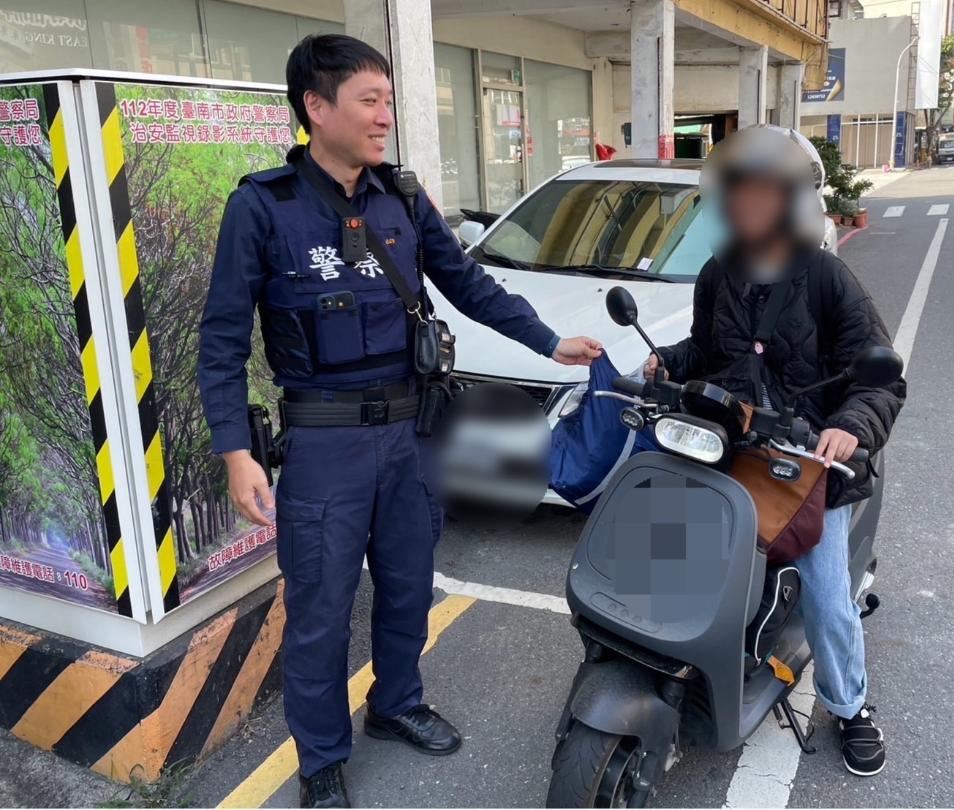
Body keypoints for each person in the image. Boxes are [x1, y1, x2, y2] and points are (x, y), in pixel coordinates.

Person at [197, 34, 602, 808]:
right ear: (317, 108)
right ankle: (321, 758)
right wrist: (235, 452)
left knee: (410, 586)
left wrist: (548, 341)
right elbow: (220, 341)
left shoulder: (403, 199)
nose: (386, 116)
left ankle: (396, 703)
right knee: (320, 611)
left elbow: (467, 284)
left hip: (412, 435)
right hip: (324, 443)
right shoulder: (263, 207)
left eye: (388, 100)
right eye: (369, 100)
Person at [644, 125, 905, 777]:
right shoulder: (718, 273)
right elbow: (706, 349)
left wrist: (850, 426)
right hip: (732, 446)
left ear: (791, 201)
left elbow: (881, 375)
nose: (747, 205)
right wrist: (664, 361)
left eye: (762, 194)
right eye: (738, 193)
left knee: (827, 595)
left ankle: (850, 706)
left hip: (810, 465)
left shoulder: (826, 277)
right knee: (668, 546)